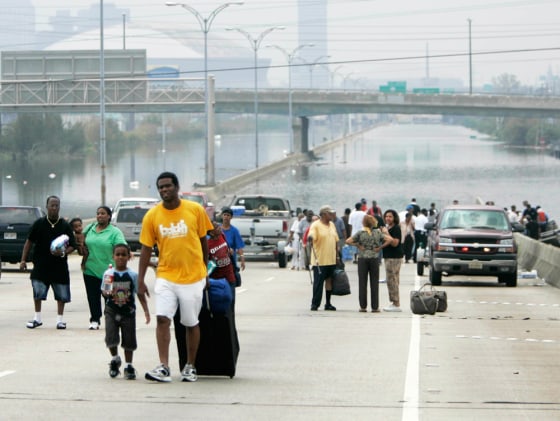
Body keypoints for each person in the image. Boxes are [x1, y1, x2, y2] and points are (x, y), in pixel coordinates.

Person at [137, 171, 213, 383]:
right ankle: (163, 366)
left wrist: (205, 271)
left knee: (190, 322)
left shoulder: (195, 210)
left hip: (193, 277)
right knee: (162, 318)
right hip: (166, 275)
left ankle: (190, 366)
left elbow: (203, 242)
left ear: (177, 187)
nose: (164, 190)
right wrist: (140, 280)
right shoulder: (152, 216)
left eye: (168, 186)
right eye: (160, 187)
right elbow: (145, 249)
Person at [20, 195, 76, 330]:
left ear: (59, 207)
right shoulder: (39, 224)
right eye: (52, 205)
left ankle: (60, 320)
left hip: (59, 266)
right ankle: (37, 318)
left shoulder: (64, 225)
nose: (54, 208)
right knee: (38, 291)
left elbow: (73, 245)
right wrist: (23, 260)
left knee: (61, 294)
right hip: (41, 265)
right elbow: (29, 242)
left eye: (57, 206)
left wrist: (63, 252)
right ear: (47, 207)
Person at [101, 243, 150, 380]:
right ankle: (115, 359)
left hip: (128, 312)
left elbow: (139, 293)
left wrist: (146, 310)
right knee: (111, 337)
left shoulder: (133, 275)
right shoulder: (108, 273)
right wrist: (106, 292)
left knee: (129, 338)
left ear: (129, 257)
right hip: (111, 310)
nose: (120, 257)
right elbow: (104, 292)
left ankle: (129, 365)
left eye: (124, 255)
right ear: (113, 256)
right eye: (118, 255)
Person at [82, 206, 126, 330]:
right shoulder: (90, 228)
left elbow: (122, 247)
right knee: (92, 296)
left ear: (109, 216)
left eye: (103, 213)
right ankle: (95, 320)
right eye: (98, 213)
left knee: (109, 297)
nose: (100, 216)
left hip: (108, 272)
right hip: (90, 269)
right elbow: (80, 239)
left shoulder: (114, 232)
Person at [346, 215, 390, 313]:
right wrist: (380, 247)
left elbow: (348, 241)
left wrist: (357, 245)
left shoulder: (360, 233)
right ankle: (375, 307)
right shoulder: (377, 233)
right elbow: (389, 240)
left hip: (362, 259)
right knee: (374, 283)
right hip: (374, 259)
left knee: (362, 283)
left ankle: (363, 306)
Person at [308, 205, 339, 311]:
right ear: (324, 214)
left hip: (331, 259)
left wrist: (337, 256)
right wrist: (310, 237)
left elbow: (336, 240)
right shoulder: (315, 225)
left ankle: (328, 303)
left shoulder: (332, 225)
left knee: (329, 281)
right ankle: (315, 304)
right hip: (320, 260)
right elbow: (312, 234)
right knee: (318, 282)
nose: (332, 215)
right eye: (330, 213)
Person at [379, 209, 404, 312]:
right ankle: (395, 302)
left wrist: (386, 233)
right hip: (388, 256)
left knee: (392, 280)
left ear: (394, 218)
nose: (387, 218)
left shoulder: (396, 228)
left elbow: (395, 243)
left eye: (390, 216)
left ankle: (395, 303)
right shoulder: (387, 228)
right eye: (386, 216)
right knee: (392, 279)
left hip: (394, 257)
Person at [220, 207, 246, 286]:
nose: (226, 217)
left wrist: (242, 259)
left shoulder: (234, 231)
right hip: (218, 261)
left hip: (230, 262)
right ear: (222, 216)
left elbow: (239, 247)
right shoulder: (217, 230)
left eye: (228, 215)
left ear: (231, 217)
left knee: (230, 283)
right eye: (224, 215)